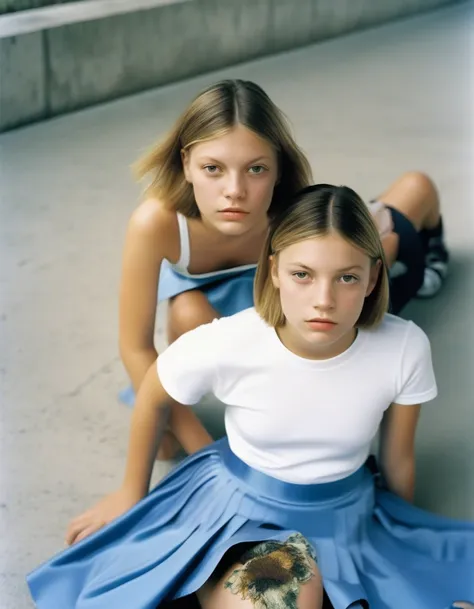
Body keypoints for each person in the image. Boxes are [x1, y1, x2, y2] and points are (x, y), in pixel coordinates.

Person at [27, 184, 472, 609]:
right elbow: (154, 393)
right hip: (238, 512)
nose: (324, 300)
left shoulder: (403, 347)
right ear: (275, 270)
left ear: (374, 277)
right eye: (302, 275)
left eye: (347, 278)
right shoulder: (233, 340)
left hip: (347, 516)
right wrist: (131, 490)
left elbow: (398, 459)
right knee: (289, 596)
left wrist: (401, 546)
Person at [117, 79, 449, 460]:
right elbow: (136, 345)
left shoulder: (287, 210)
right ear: (186, 163)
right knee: (163, 441)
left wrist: (383, 252)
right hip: (219, 314)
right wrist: (208, 457)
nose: (235, 191)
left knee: (414, 191)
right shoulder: (155, 222)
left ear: (278, 170)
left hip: (293, 297)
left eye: (256, 169)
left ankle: (428, 248)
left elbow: (336, 262)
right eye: (213, 168)